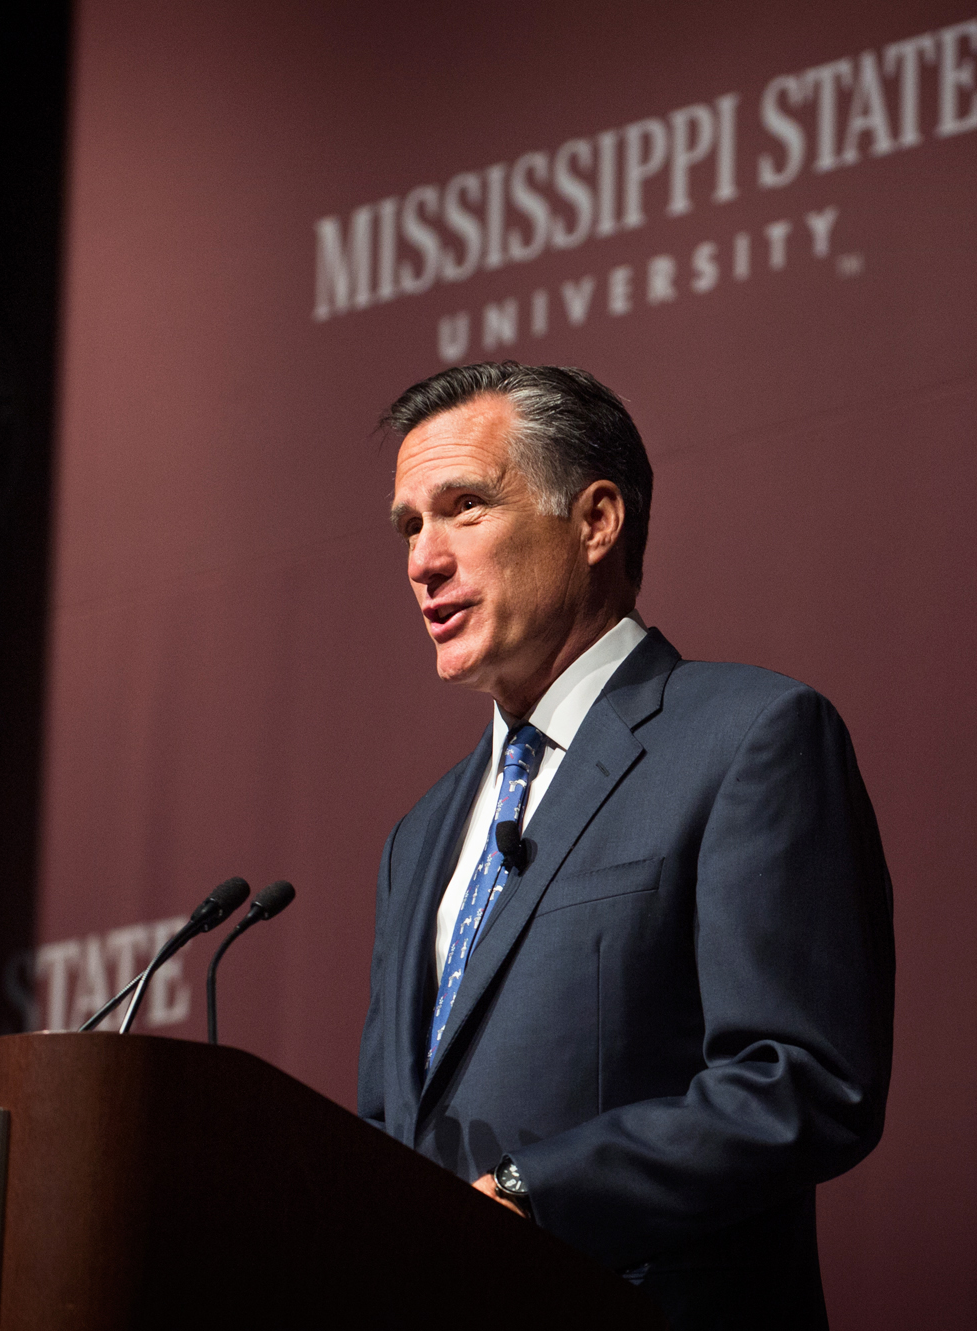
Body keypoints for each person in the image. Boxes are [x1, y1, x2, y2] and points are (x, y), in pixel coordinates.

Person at [357, 362, 894, 1330]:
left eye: (462, 507)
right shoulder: (421, 834)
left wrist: (530, 1192)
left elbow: (800, 1082)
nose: (421, 560)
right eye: (407, 524)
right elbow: (385, 1134)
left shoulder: (746, 737)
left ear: (595, 520)